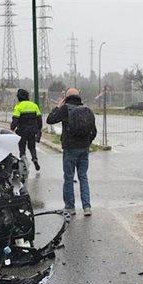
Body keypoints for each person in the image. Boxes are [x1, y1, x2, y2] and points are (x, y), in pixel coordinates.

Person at [46, 88, 97, 216]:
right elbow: (94, 131)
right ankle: (87, 207)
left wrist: (58, 107)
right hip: (84, 148)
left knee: (68, 178)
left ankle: (70, 207)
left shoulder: (65, 109)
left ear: (66, 98)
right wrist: (87, 143)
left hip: (69, 149)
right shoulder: (87, 110)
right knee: (83, 177)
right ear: (78, 97)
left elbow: (50, 120)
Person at [10, 88, 42, 171]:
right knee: (32, 147)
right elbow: (39, 119)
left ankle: (23, 162)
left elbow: (15, 120)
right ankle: (34, 158)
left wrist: (12, 128)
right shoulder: (34, 105)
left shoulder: (18, 106)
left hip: (22, 131)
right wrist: (39, 129)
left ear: (19, 97)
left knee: (22, 147)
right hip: (32, 131)